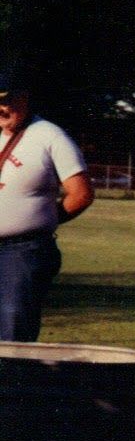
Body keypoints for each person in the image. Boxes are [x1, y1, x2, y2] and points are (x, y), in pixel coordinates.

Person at [0, 72, 94, 341]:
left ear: (24, 98)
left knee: (12, 331)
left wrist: (41, 219)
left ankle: (14, 382)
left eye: (7, 101)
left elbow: (81, 193)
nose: (2, 109)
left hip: (23, 252)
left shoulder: (50, 136)